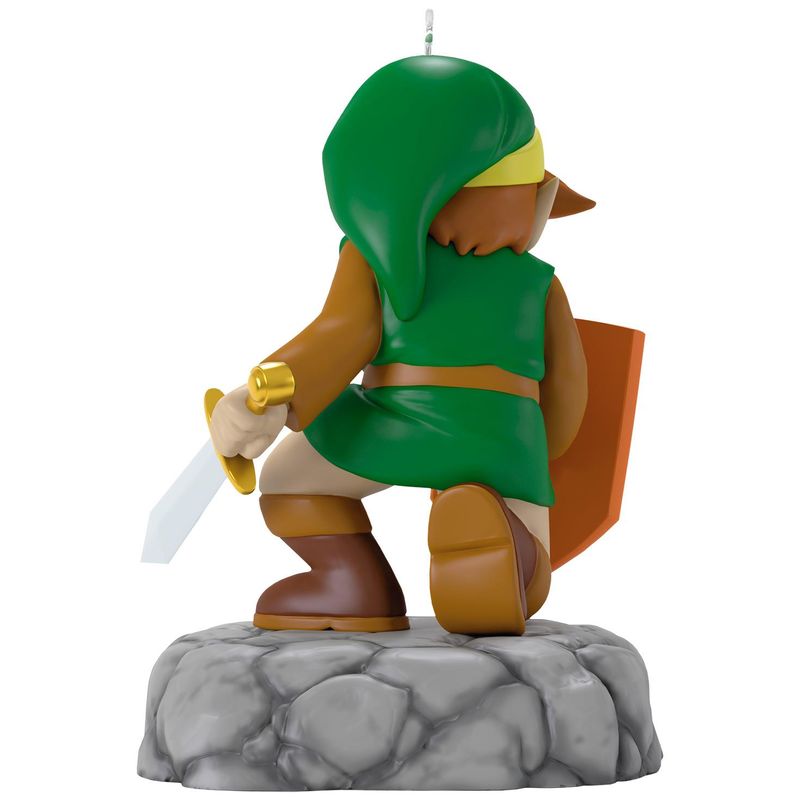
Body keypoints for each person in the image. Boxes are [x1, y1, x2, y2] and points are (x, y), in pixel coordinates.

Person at [209, 56, 593, 635]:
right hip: (503, 436)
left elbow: (340, 336)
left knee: (289, 480)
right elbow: (566, 391)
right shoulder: (540, 283)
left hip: (392, 423)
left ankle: (351, 584)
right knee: (524, 541)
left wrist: (269, 395)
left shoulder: (373, 258)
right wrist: (541, 451)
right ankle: (512, 560)